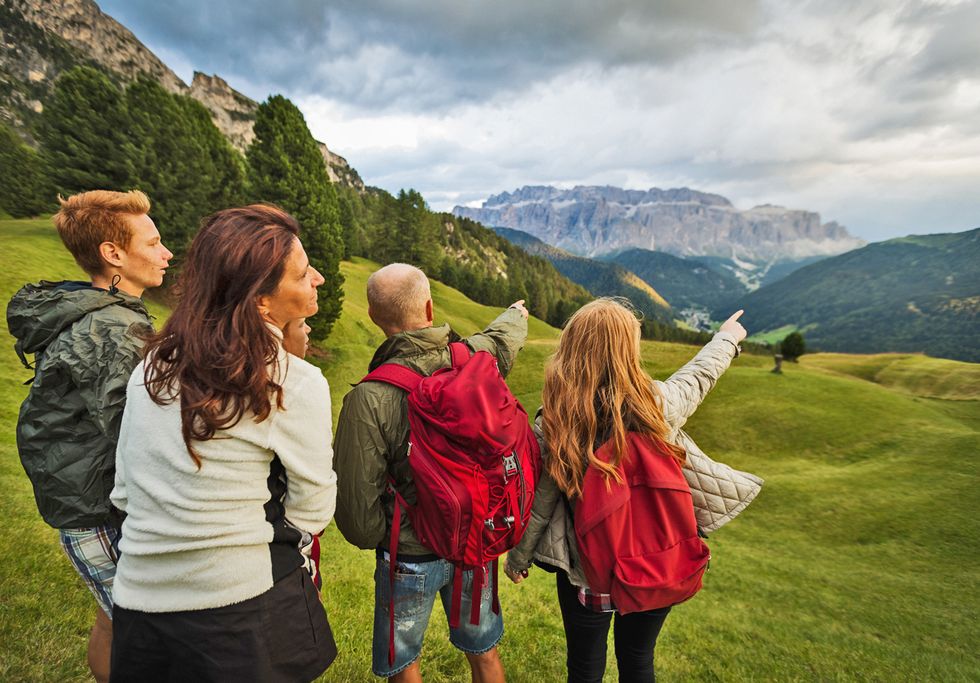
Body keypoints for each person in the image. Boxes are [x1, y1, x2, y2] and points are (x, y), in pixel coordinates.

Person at [109, 205, 338, 681]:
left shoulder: (152, 367)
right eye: (302, 273)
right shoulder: (291, 380)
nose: (316, 278)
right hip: (236, 609)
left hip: (137, 601)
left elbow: (125, 490)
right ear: (260, 303)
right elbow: (313, 509)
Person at [504, 298, 748, 682]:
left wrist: (519, 558)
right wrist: (727, 339)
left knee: (584, 666)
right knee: (638, 659)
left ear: (570, 350)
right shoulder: (656, 404)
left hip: (589, 571)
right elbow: (698, 376)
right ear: (628, 351)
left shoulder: (557, 421)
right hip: (656, 564)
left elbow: (542, 502)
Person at [333, 263, 528, 682]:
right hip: (474, 541)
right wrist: (517, 314)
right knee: (485, 651)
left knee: (405, 666)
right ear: (429, 306)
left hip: (408, 556)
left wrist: (384, 538)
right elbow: (501, 340)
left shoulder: (369, 398)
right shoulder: (474, 360)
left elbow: (356, 510)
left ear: (372, 316)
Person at [7, 189, 172, 683]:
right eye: (155, 242)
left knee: (113, 618)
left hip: (78, 494)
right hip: (95, 505)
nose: (166, 253)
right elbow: (134, 432)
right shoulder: (113, 329)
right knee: (145, 632)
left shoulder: (98, 311)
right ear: (113, 254)